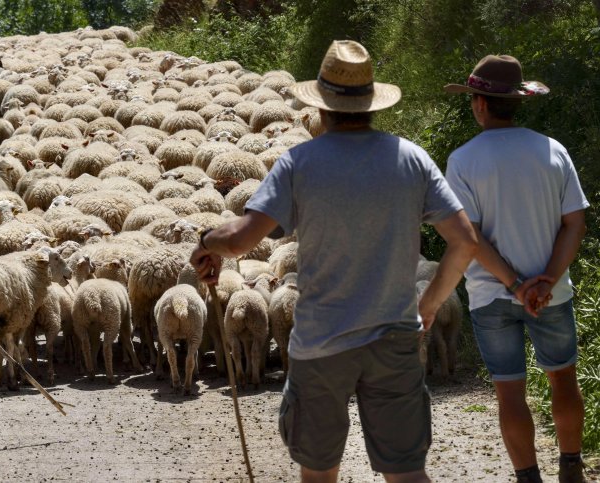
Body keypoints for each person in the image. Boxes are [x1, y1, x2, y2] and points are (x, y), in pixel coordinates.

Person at [190, 40, 478, 483]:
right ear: (370, 105)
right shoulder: (411, 159)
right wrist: (432, 302)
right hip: (394, 338)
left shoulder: (299, 163)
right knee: (406, 473)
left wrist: (207, 240)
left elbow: (243, 238)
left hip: (321, 343)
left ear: (320, 108)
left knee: (319, 472)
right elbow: (464, 241)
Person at [443, 55, 588, 483]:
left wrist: (515, 284)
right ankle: (572, 469)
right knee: (563, 380)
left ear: (481, 104)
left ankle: (528, 478)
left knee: (509, 392)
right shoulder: (552, 150)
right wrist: (546, 280)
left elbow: (469, 237)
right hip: (553, 294)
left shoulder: (463, 160)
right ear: (516, 102)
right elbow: (574, 222)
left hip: (492, 296)